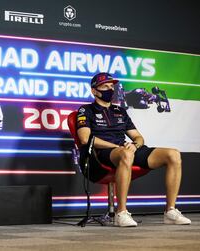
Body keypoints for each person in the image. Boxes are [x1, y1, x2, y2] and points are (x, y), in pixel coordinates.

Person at [76, 72, 191, 227]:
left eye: (112, 86)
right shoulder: (85, 110)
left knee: (173, 154)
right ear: (94, 91)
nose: (110, 89)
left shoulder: (120, 111)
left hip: (126, 150)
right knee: (125, 153)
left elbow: (138, 137)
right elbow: (85, 139)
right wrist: (117, 147)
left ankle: (170, 211)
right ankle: (121, 213)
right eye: (105, 86)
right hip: (102, 154)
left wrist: (135, 145)